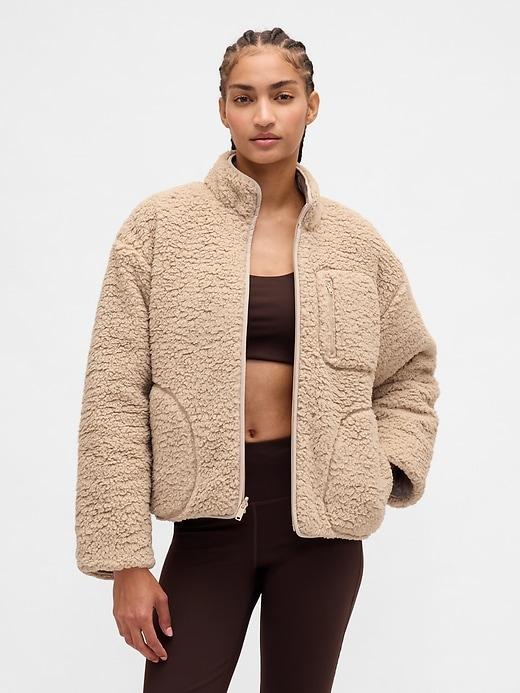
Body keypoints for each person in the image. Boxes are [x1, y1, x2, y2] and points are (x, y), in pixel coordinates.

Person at [74, 27, 440, 693]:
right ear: (223, 110)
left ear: (311, 105)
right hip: (207, 529)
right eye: (244, 98)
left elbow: (409, 370)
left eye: (282, 95)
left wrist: (377, 466)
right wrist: (126, 558)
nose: (264, 115)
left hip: (323, 534)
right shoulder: (160, 229)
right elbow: (114, 393)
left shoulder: (356, 243)